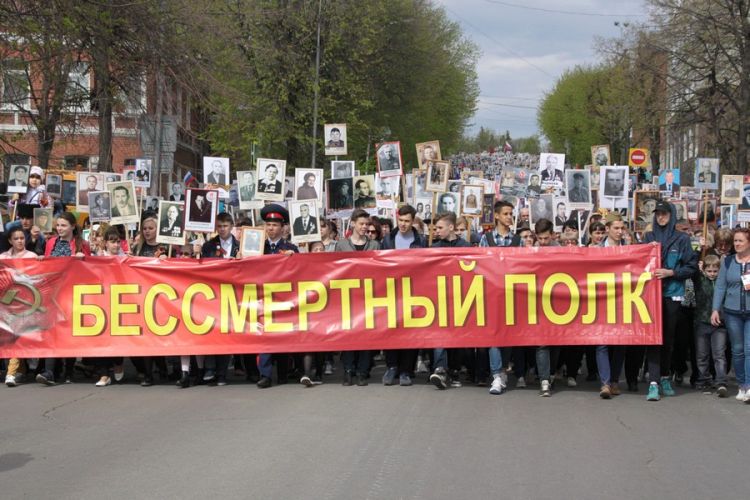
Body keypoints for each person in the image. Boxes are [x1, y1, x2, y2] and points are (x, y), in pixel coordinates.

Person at [642, 200, 698, 401]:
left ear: (672, 215)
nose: (661, 217)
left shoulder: (682, 239)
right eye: (658, 214)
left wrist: (671, 272)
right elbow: (637, 264)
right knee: (653, 338)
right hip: (650, 295)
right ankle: (654, 382)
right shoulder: (648, 237)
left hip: (672, 294)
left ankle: (664, 376)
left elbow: (691, 267)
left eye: (664, 214)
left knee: (667, 338)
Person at [35, 212, 91, 386]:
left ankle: (68, 371)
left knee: (69, 331)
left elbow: (92, 269)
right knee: (53, 330)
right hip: (54, 292)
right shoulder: (51, 242)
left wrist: (84, 259)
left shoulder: (82, 244)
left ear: (73, 226)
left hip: (74, 292)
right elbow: (47, 265)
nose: (59, 229)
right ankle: (50, 371)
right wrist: (42, 260)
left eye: (63, 225)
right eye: (58, 225)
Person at [379, 205, 427, 386]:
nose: (403, 224)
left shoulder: (420, 240)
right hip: (392, 291)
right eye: (401, 220)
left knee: (411, 332)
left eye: (407, 221)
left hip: (413, 291)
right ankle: (392, 367)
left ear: (413, 221)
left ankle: (406, 370)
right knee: (392, 330)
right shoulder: (388, 239)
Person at [335, 209, 380, 386]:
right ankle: (348, 370)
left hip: (368, 296)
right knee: (348, 336)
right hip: (348, 297)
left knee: (366, 336)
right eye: (361, 224)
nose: (364, 227)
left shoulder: (374, 245)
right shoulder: (342, 245)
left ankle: (362, 371)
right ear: (353, 223)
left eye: (366, 224)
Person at [256, 204, 299, 389]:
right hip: (262, 298)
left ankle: (283, 372)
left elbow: (302, 271)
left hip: (283, 299)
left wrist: (295, 258)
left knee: (282, 335)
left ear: (282, 227)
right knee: (265, 336)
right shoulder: (257, 246)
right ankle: (265, 375)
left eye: (274, 225)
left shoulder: (290, 248)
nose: (271, 228)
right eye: (268, 225)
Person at [428, 213, 471, 390]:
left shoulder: (466, 247)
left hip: (462, 298)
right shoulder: (434, 248)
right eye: (435, 228)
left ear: (451, 227)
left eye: (439, 228)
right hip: (439, 299)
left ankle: (453, 370)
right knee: (440, 335)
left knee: (458, 339)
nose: (436, 231)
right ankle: (440, 369)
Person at [196, 213, 239, 387]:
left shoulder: (239, 245)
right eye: (220, 226)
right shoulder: (208, 245)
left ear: (231, 226)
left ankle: (222, 373)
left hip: (233, 293)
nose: (222, 229)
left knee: (226, 334)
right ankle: (210, 368)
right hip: (213, 293)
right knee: (211, 332)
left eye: (225, 226)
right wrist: (197, 256)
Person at [711, 227, 750, 403]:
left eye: (740, 241)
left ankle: (748, 385)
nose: (737, 244)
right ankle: (741, 385)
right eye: (735, 241)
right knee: (738, 350)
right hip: (732, 312)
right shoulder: (727, 262)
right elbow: (720, 286)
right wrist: (715, 309)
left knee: (749, 349)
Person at [1, 227, 41, 387]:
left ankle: (11, 373)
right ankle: (21, 371)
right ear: (10, 241)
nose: (19, 241)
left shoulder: (32, 256)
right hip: (6, 304)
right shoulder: (3, 257)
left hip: (26, 303)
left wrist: (40, 262)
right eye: (16, 239)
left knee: (16, 335)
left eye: (22, 238)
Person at [595, 214, 627, 398]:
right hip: (601, 301)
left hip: (623, 301)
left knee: (620, 343)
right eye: (616, 228)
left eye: (622, 228)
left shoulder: (630, 249)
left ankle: (614, 380)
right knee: (602, 342)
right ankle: (605, 383)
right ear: (607, 229)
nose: (619, 232)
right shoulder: (596, 250)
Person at [693, 254, 728, 397]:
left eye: (715, 271)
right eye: (709, 271)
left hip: (719, 324)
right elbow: (693, 273)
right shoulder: (700, 281)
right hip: (701, 322)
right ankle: (704, 380)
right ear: (704, 270)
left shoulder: (722, 282)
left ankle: (721, 382)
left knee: (719, 354)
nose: (712, 274)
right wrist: (698, 263)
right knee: (702, 355)